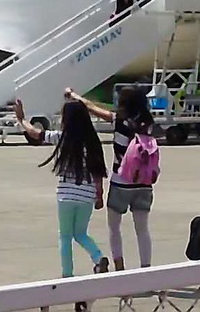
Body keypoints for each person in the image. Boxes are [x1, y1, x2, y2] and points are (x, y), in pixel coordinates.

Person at [15, 98, 109, 282]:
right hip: (87, 195)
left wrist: (22, 120)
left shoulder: (62, 138)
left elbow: (36, 134)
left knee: (65, 236)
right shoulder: (92, 141)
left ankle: (67, 275)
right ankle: (98, 257)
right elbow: (98, 172)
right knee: (80, 233)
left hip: (66, 195)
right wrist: (99, 194)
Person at [67, 86, 155, 271]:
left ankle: (120, 268)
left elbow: (90, 106)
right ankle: (146, 269)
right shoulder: (148, 123)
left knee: (114, 227)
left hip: (121, 181)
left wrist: (73, 95)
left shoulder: (119, 120)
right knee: (142, 229)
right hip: (144, 183)